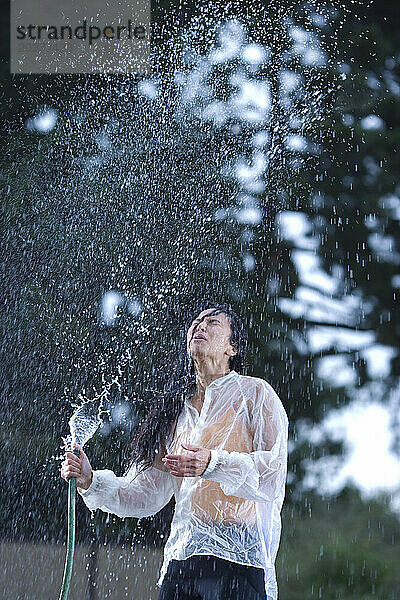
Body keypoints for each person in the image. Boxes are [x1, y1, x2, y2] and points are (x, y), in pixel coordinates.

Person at [61, 301, 289, 600]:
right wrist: (93, 481)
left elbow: (272, 473)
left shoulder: (255, 394)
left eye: (213, 323)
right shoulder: (175, 414)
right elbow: (145, 494)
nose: (200, 326)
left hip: (239, 559)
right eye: (196, 322)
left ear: (232, 348)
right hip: (184, 558)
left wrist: (212, 463)